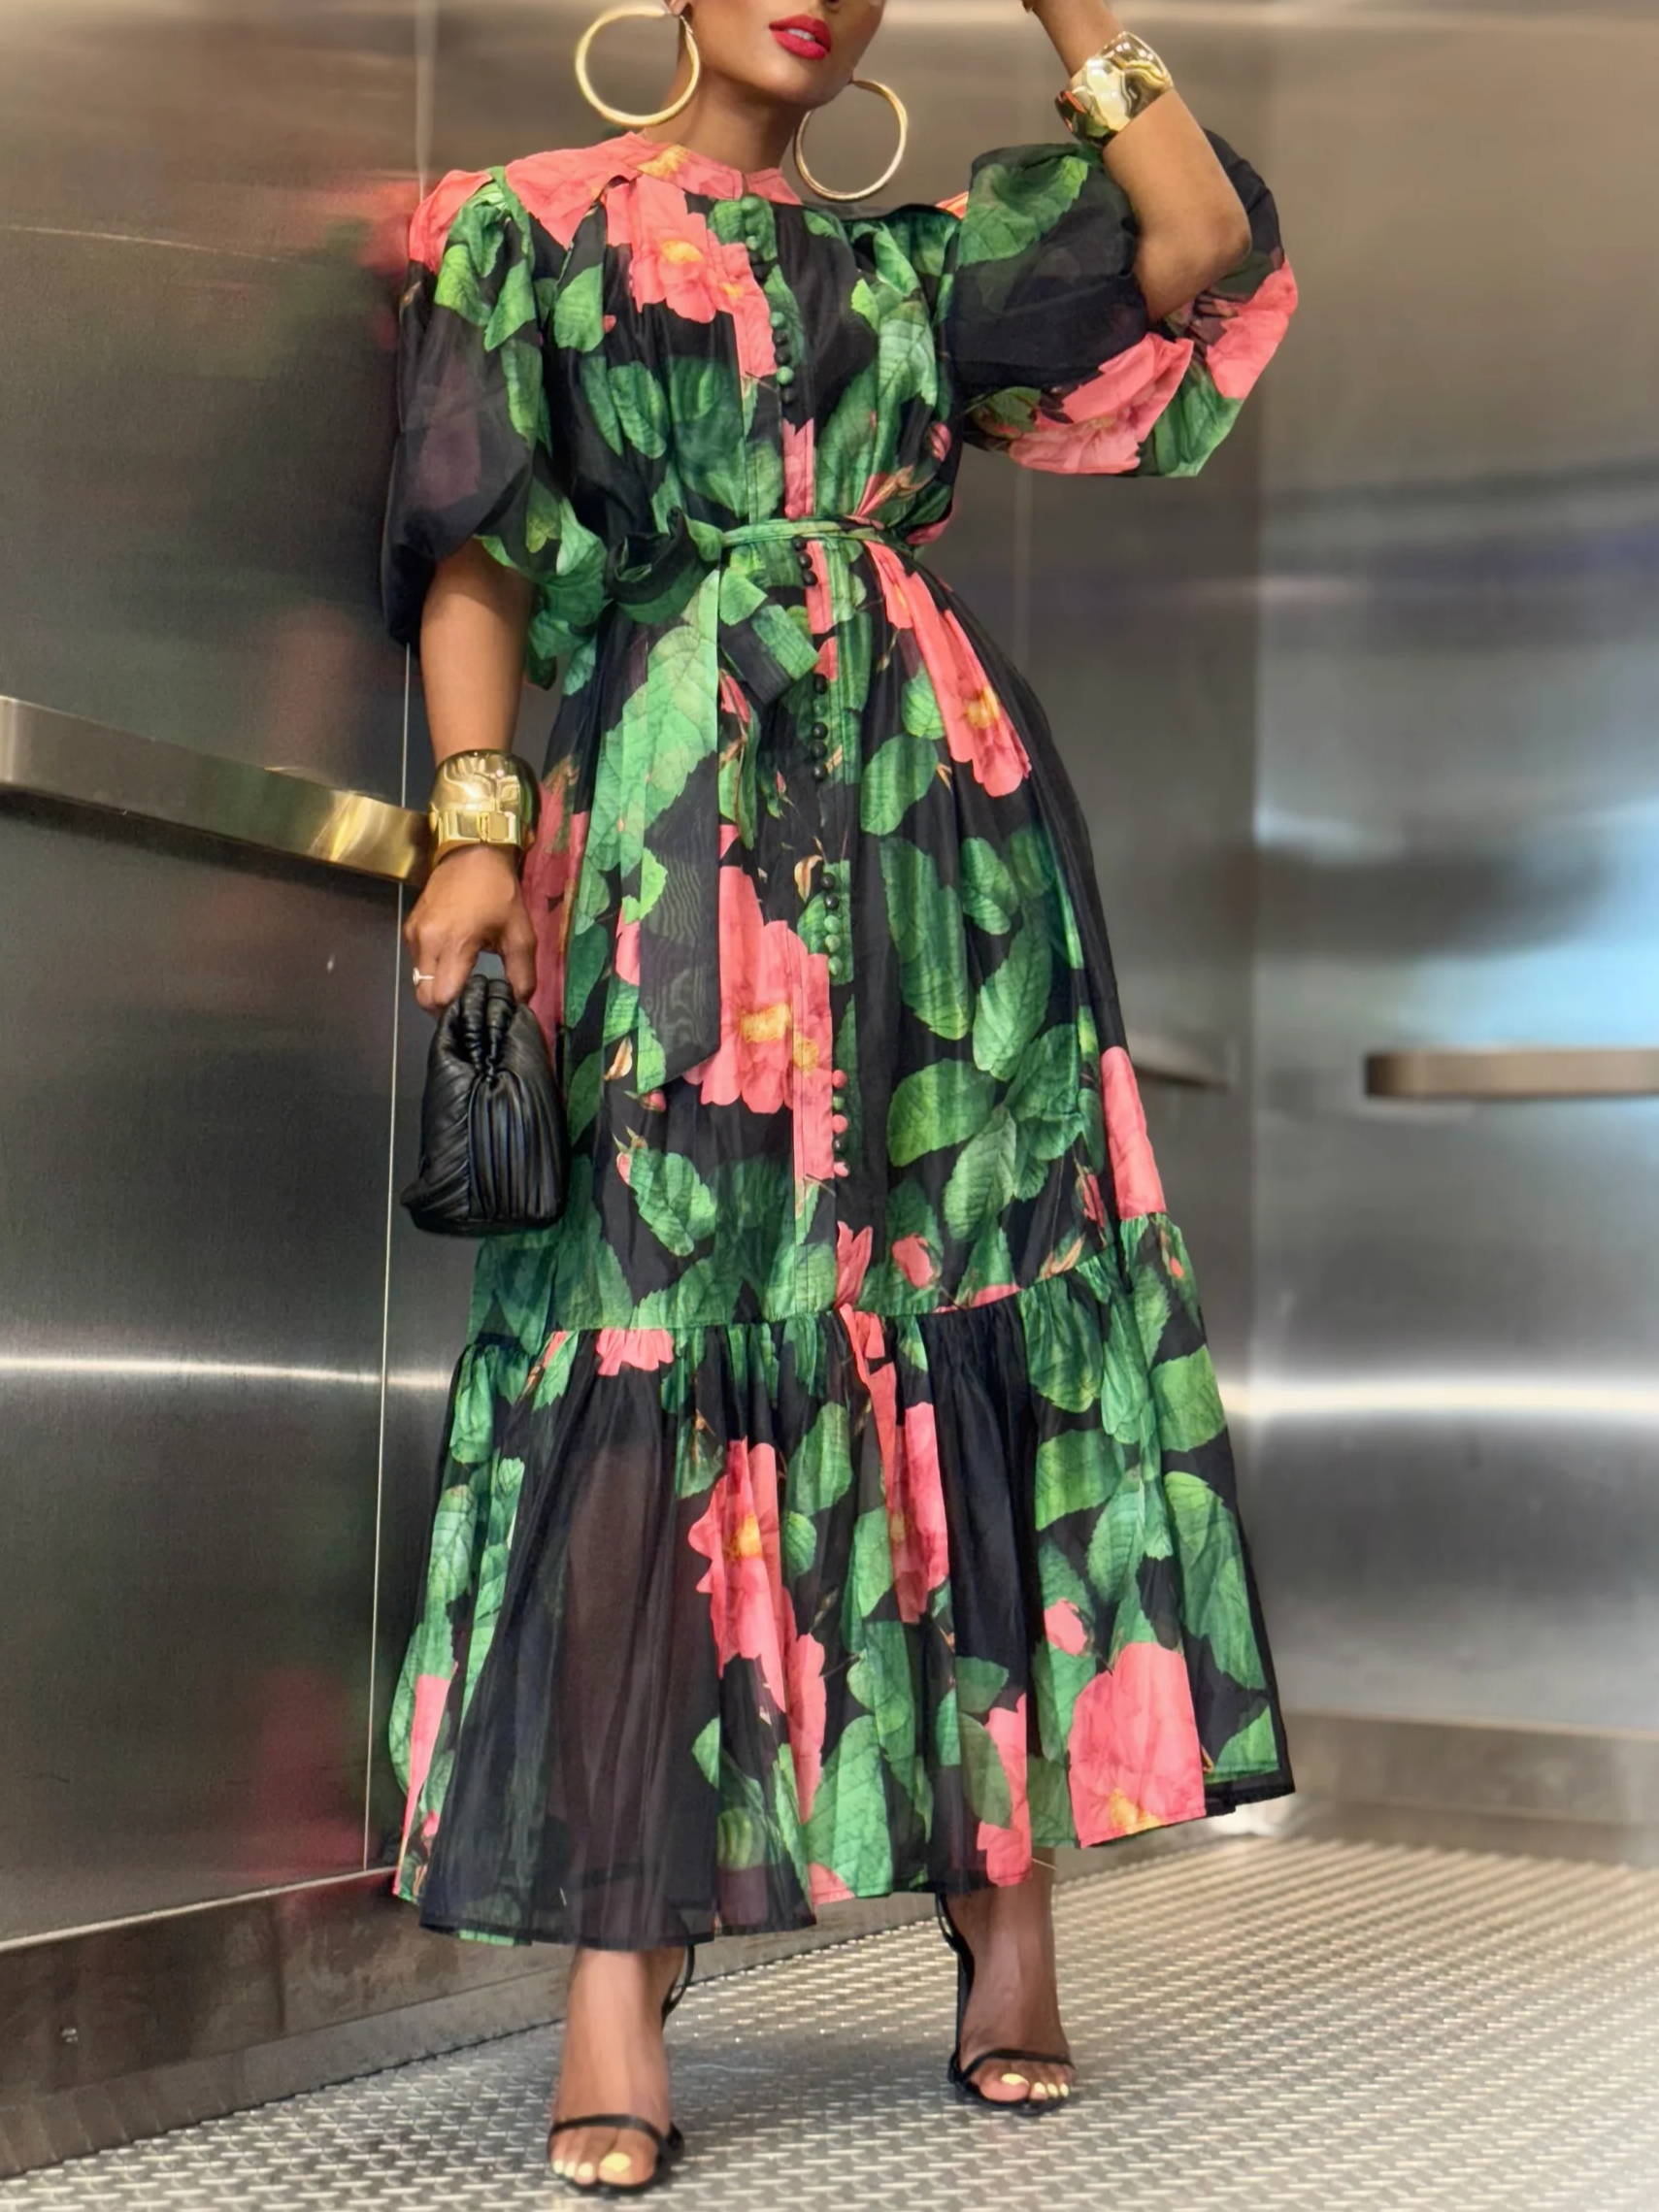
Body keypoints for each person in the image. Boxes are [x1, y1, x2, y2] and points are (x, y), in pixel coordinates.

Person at [381, 0, 1298, 2192]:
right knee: (646, 1326)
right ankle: (621, 1955)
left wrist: (1077, 18)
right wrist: (477, 822)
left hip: (943, 858)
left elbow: (1196, 249)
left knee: (973, 1313)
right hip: (668, 840)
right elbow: (473, 543)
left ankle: (1006, 1901)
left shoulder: (921, 266)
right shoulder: (531, 227)